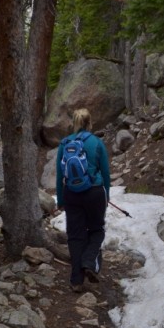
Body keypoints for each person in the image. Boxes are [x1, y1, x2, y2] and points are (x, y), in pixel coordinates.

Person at [56, 109, 110, 292]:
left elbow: (59, 174)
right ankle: (88, 262)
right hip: (94, 192)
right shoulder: (96, 142)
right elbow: (105, 173)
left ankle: (76, 281)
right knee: (97, 230)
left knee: (75, 236)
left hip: (71, 193)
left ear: (75, 123)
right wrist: (107, 194)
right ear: (89, 123)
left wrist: (60, 199)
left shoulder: (65, 143)